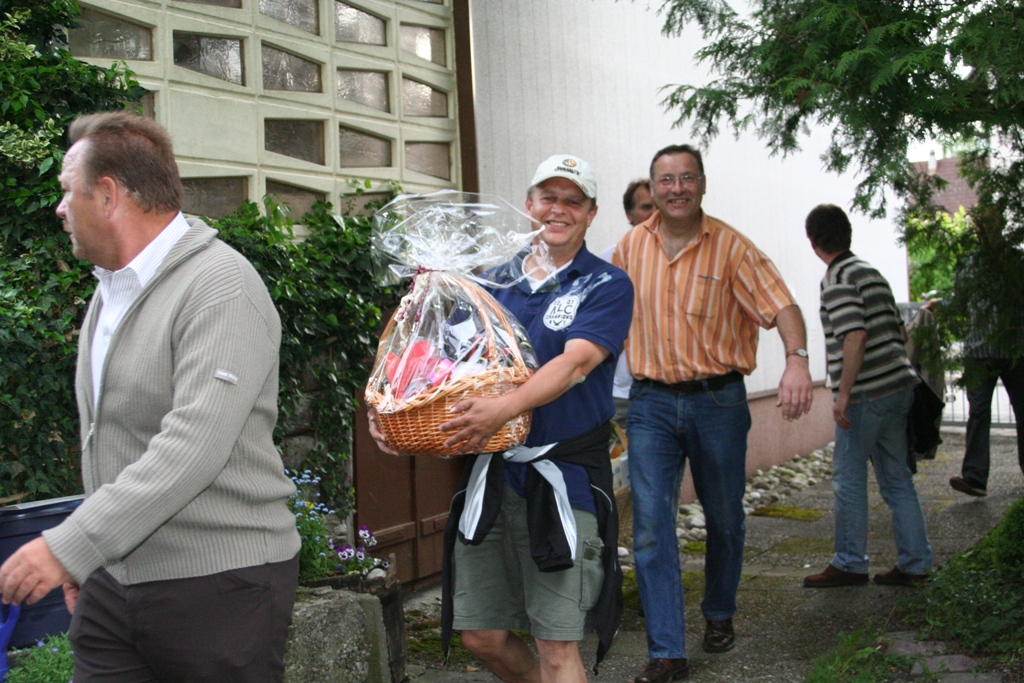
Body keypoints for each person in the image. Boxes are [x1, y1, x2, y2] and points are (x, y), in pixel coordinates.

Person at [0, 112, 301, 682]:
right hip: (114, 582)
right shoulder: (112, 291)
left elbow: (192, 447)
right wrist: (93, 558)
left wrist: (70, 545)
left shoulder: (222, 287)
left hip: (219, 587)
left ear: (107, 194)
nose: (60, 208)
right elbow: (115, 438)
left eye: (67, 190)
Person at [370, 154, 633, 683]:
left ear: (590, 213)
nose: (558, 209)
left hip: (565, 481)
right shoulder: (488, 283)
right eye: (548, 197)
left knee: (556, 642)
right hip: (492, 475)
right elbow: (440, 365)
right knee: (481, 636)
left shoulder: (605, 283)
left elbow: (576, 364)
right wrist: (393, 409)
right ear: (529, 203)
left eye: (573, 201)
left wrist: (504, 409)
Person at [612, 144, 814, 683]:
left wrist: (796, 361)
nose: (676, 188)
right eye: (666, 180)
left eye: (687, 178)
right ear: (652, 189)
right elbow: (605, 317)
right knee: (650, 526)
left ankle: (719, 610)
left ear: (702, 183)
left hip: (718, 401)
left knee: (724, 517)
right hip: (650, 403)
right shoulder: (630, 247)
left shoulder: (732, 247)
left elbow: (783, 305)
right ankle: (667, 651)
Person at [802, 203, 932, 589]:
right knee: (897, 478)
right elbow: (898, 331)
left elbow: (854, 335)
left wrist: (843, 394)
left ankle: (849, 562)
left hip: (866, 394)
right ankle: (915, 562)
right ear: (847, 234)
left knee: (849, 478)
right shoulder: (870, 272)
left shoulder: (837, 278)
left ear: (813, 242)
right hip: (899, 385)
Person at [948, 258, 1024, 497]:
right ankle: (975, 478)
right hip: (978, 353)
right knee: (978, 412)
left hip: (1015, 351)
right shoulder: (968, 263)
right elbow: (960, 304)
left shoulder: (1016, 261)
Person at [600, 178, 656, 429]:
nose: (654, 214)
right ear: (629, 214)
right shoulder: (609, 259)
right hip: (618, 392)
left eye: (658, 206)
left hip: (664, 393)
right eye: (646, 207)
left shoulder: (683, 262)